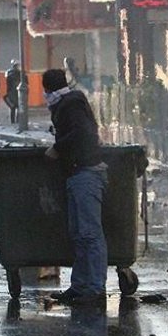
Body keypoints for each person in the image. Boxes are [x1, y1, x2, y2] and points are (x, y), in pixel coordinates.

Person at [44, 69, 108, 305]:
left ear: (48, 90)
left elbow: (83, 132)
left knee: (89, 234)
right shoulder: (69, 103)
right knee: (80, 234)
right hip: (78, 173)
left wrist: (58, 148)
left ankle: (94, 289)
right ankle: (80, 286)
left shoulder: (71, 104)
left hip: (86, 174)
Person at [4, 60, 24, 124]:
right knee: (13, 107)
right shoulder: (11, 74)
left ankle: (17, 121)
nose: (17, 67)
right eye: (16, 66)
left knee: (18, 107)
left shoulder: (21, 73)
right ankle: (13, 121)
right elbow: (8, 83)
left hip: (18, 92)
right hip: (13, 92)